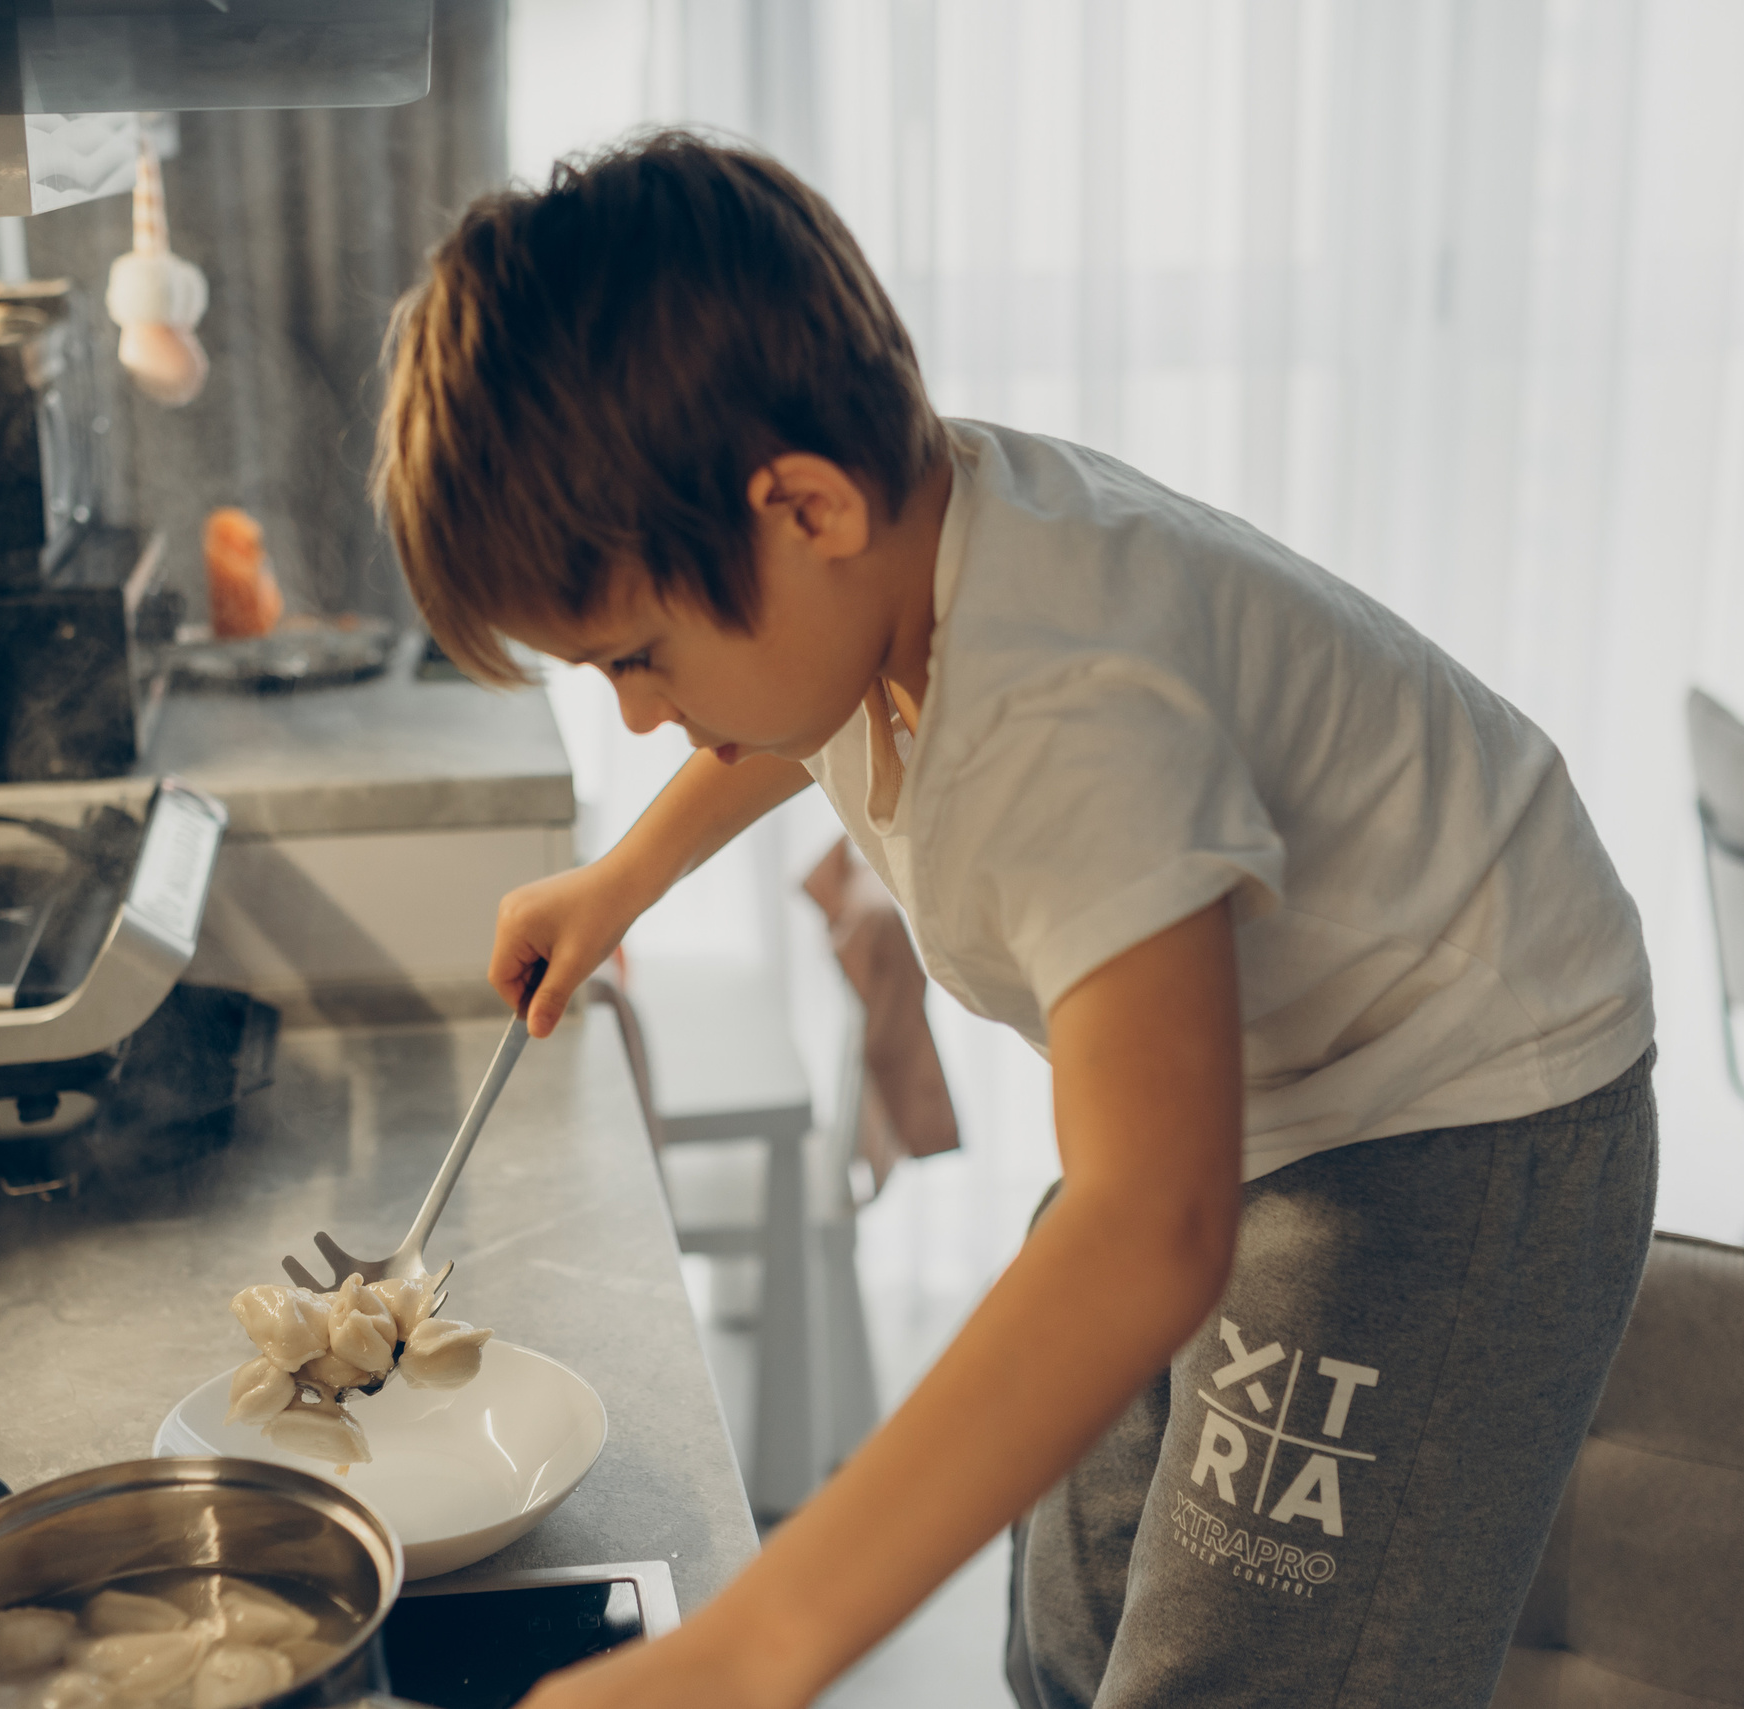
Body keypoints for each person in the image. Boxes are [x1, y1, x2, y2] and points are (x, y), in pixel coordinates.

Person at [373, 131, 1658, 1709]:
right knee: (1074, 1612)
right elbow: (791, 705)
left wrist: (746, 1650)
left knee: (1246, 1669)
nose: (641, 714)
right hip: (1272, 1069)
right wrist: (623, 877)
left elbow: (1151, 1230)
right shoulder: (904, 543)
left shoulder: (1069, 704)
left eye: (637, 657)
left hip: (1453, 1099)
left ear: (804, 508)